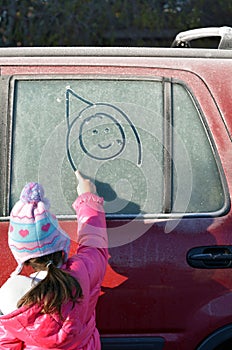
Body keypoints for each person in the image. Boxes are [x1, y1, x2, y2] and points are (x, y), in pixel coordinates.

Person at [0, 170, 108, 349]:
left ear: (24, 259)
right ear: (61, 244)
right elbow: (94, 244)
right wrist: (87, 197)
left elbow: (6, 344)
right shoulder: (82, 272)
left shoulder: (10, 298)